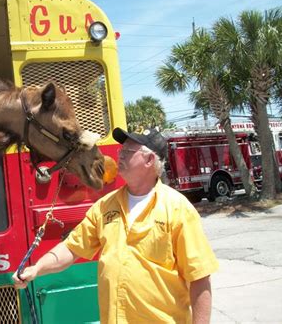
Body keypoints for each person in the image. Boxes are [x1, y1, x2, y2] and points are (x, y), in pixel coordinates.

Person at [13, 127, 219, 323]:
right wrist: (36, 269)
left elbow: (199, 278)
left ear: (149, 160)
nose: (120, 155)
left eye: (129, 151)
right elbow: (71, 248)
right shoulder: (104, 206)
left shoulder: (177, 208)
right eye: (122, 150)